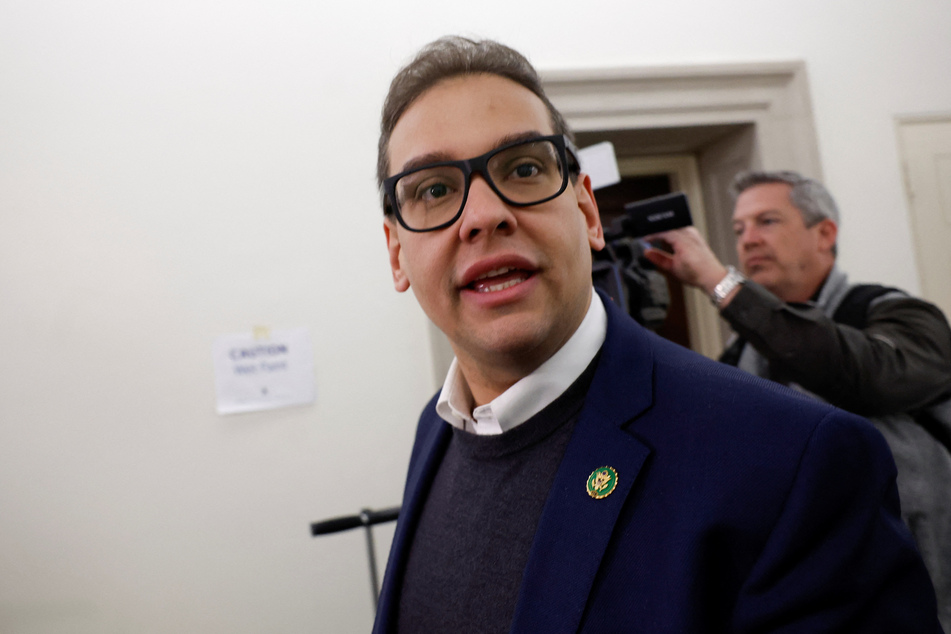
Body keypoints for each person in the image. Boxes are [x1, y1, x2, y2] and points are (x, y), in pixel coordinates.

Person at [373, 36, 942, 632]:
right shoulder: (435, 432)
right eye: (434, 190)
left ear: (589, 213)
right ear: (396, 255)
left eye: (523, 168)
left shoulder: (790, 461)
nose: (485, 214)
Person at [644, 169, 951, 631]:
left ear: (825, 233)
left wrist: (717, 281)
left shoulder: (899, 314)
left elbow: (862, 374)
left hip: (924, 588)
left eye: (767, 221)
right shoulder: (740, 353)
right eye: (738, 230)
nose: (748, 240)